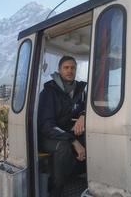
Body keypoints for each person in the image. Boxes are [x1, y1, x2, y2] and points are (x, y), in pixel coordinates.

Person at [38, 55, 86, 196]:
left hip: (68, 133)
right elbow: (47, 125)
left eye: (73, 68)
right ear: (59, 70)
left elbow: (89, 107)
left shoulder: (80, 91)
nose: (70, 71)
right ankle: (57, 190)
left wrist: (83, 115)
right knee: (64, 147)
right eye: (66, 67)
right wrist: (72, 140)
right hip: (49, 136)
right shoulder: (48, 92)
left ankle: (81, 181)